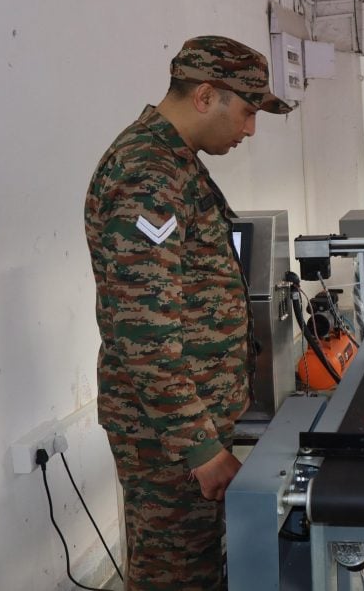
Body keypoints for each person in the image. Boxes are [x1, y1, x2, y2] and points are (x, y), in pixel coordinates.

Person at [84, 36, 290, 590]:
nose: (249, 130)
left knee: (199, 566)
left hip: (188, 420)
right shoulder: (147, 172)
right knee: (174, 575)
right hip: (168, 435)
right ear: (205, 95)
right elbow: (143, 329)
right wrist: (200, 448)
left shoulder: (175, 162)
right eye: (247, 112)